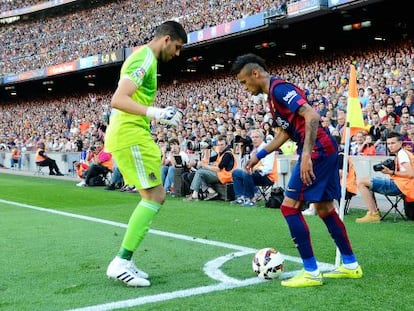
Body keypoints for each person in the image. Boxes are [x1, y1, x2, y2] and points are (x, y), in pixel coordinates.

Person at [232, 53, 362, 287]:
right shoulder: (273, 96)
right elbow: (285, 133)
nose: (245, 88)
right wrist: (259, 155)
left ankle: (311, 272)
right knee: (324, 209)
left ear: (255, 73)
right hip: (322, 148)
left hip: (317, 150)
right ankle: (351, 266)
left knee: (289, 207)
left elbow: (312, 115)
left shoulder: (280, 89)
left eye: (243, 82)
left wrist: (306, 156)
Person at [103, 21, 187, 287]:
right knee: (156, 196)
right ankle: (121, 261)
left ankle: (125, 260)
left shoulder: (145, 59)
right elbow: (118, 99)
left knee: (152, 196)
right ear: (166, 39)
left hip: (133, 134)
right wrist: (158, 113)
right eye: (177, 47)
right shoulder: (145, 59)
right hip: (131, 134)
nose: (177, 54)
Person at [356, 132, 414, 223]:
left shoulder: (402, 154)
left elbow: (411, 174)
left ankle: (373, 214)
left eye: (393, 143)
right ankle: (374, 212)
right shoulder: (403, 153)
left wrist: (391, 172)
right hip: (402, 185)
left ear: (401, 143)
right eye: (389, 144)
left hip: (401, 186)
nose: (390, 146)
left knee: (361, 182)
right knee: (366, 182)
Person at [231, 129, 277, 207]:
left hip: (267, 176)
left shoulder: (267, 149)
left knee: (247, 174)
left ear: (262, 138)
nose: (254, 139)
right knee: (236, 172)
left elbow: (268, 168)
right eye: (252, 137)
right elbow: (244, 164)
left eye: (256, 137)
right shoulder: (252, 150)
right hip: (254, 174)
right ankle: (240, 197)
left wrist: (257, 169)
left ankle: (250, 198)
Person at [184, 135, 237, 201]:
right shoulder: (222, 153)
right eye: (219, 145)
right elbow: (208, 160)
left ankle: (195, 195)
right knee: (200, 173)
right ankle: (211, 191)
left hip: (225, 176)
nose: (220, 146)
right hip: (220, 175)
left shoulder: (227, 154)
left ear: (226, 145)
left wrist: (203, 165)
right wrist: (207, 149)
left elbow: (218, 169)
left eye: (222, 145)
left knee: (200, 172)